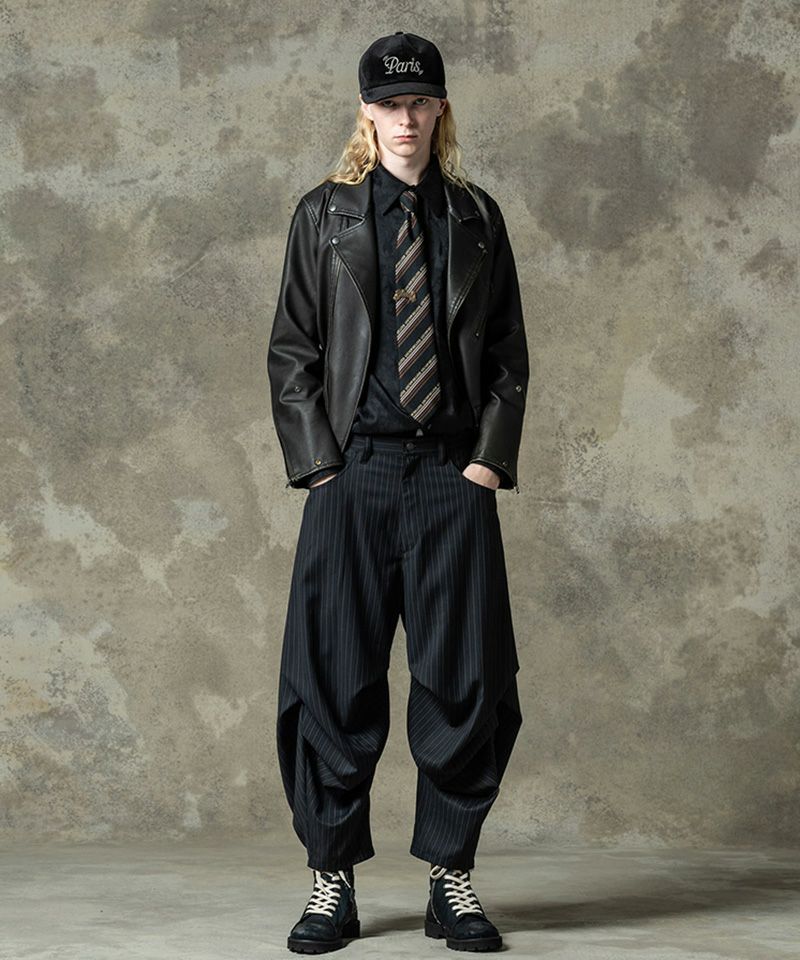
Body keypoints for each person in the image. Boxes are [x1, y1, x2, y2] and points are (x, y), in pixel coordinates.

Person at [268, 29, 528, 954]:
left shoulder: (477, 217)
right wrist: (320, 467)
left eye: (420, 102)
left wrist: (486, 464)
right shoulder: (324, 216)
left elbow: (507, 357)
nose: (405, 119)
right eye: (389, 104)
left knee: (465, 683)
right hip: (354, 476)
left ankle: (450, 878)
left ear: (440, 108)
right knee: (332, 680)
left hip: (451, 479)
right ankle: (330, 879)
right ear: (366, 112)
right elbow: (292, 351)